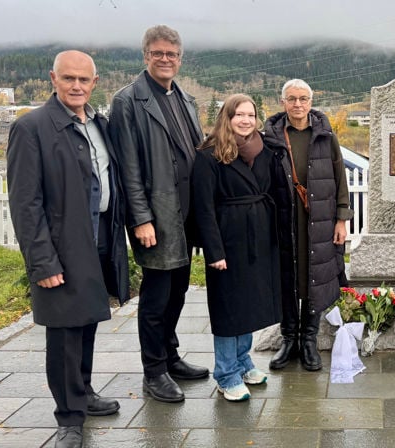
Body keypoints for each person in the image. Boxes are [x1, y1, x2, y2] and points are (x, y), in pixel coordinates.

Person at [7, 50, 129, 448]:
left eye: (83, 79)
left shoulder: (100, 124)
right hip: (61, 247)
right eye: (68, 78)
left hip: (99, 238)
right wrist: (42, 262)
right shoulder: (31, 128)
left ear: (95, 83)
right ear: (53, 79)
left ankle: (84, 392)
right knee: (64, 333)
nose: (76, 86)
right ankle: (69, 417)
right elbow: (25, 204)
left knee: (87, 319)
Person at [109, 25, 208, 403]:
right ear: (146, 56)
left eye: (172, 54)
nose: (165, 59)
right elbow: (128, 167)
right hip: (157, 215)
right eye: (158, 53)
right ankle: (154, 371)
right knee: (156, 297)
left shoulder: (185, 98)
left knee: (179, 290)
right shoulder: (128, 101)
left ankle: (170, 356)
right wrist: (141, 218)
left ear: (180, 59)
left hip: (186, 214)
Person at [192, 94, 281, 401]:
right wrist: (214, 251)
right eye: (239, 115)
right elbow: (203, 208)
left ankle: (243, 362)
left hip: (258, 237)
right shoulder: (209, 154)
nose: (245, 120)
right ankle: (225, 373)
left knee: (249, 306)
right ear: (227, 118)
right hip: (228, 238)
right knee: (228, 309)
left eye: (250, 115)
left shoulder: (264, 149)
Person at [264, 79, 353, 371]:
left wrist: (341, 218)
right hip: (284, 220)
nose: (298, 104)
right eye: (292, 99)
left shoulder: (325, 135)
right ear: (283, 102)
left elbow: (340, 178)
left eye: (303, 98)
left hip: (320, 220)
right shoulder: (271, 138)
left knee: (315, 276)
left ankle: (309, 341)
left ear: (311, 102)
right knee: (287, 277)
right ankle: (289, 339)